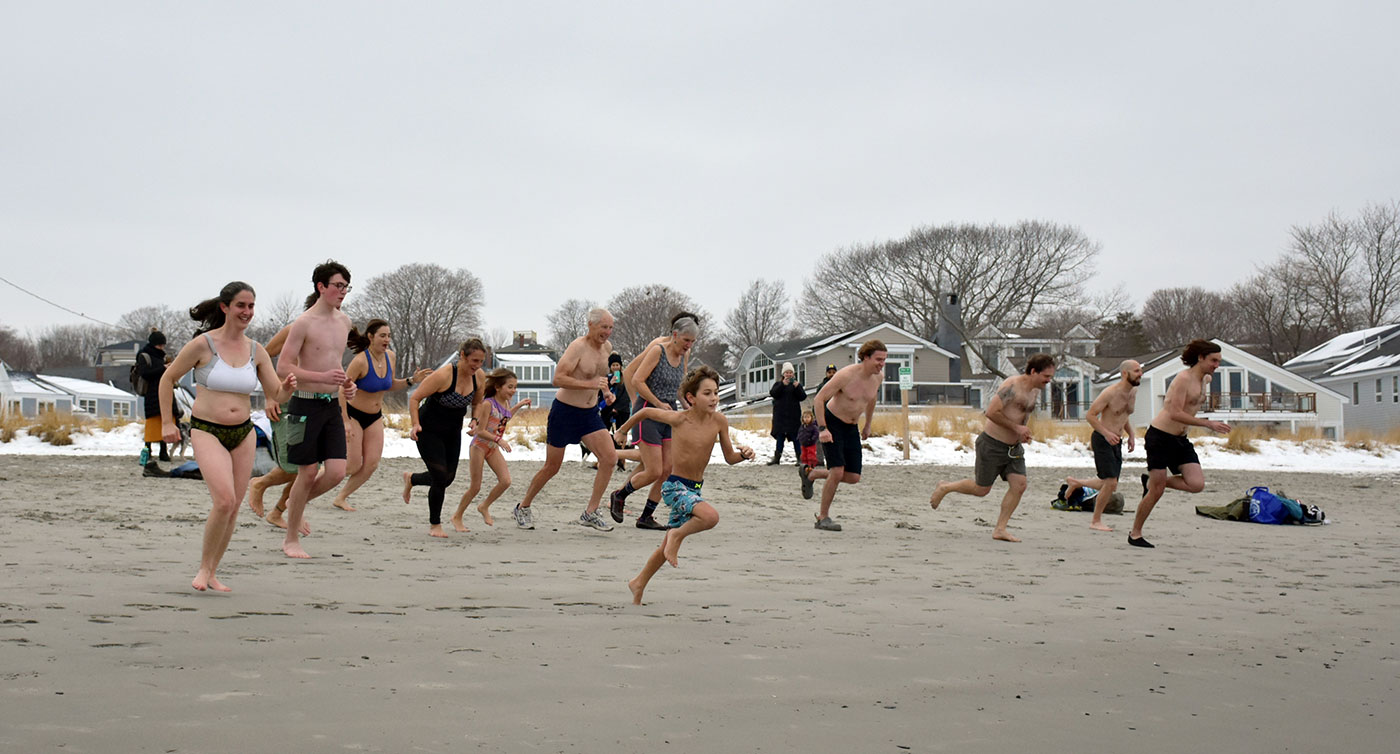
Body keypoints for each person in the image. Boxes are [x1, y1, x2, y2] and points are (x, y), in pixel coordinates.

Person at [159, 281, 296, 591]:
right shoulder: (203, 345)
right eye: (241, 306)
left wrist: (287, 387)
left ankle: (213, 571)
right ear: (225, 308)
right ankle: (203, 569)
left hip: (243, 433)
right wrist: (168, 422)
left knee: (233, 506)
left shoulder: (256, 350)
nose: (247, 312)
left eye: (251, 307)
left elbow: (275, 392)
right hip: (207, 429)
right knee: (224, 500)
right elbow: (167, 379)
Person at [612, 365, 755, 604]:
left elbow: (730, 457)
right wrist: (624, 430)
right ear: (691, 398)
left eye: (716, 393)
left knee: (664, 547)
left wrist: (744, 454)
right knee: (710, 517)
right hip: (674, 487)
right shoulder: (679, 419)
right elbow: (645, 414)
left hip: (694, 489)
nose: (714, 398)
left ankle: (638, 583)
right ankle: (677, 536)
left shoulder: (719, 421)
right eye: (707, 393)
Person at [275, 260, 357, 559]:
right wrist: (321, 378)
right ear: (321, 287)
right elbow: (284, 366)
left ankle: (291, 508)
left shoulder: (344, 322)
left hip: (332, 405)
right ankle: (291, 538)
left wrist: (348, 385)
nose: (343, 292)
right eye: (338, 286)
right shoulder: (304, 323)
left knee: (336, 472)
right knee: (307, 472)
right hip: (304, 404)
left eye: (347, 287)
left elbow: (334, 363)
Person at [927, 354, 1057, 542]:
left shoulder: (1035, 391)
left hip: (1014, 448)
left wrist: (1023, 432)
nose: (1048, 381)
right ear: (1034, 371)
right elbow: (991, 412)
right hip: (992, 444)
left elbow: (1020, 415)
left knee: (1019, 485)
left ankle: (1000, 529)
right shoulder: (1012, 386)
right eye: (1046, 376)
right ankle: (945, 487)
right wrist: (1016, 428)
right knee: (981, 490)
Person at [514, 308, 619, 531]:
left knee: (609, 458)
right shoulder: (577, 347)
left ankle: (590, 512)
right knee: (552, 467)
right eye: (604, 327)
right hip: (565, 412)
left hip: (589, 414)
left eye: (610, 327)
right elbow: (558, 378)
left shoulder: (607, 349)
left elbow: (600, 378)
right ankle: (523, 507)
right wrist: (589, 385)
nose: (607, 332)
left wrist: (606, 393)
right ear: (591, 325)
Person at [1128, 340, 1231, 548]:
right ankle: (1135, 534)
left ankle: (1151, 481)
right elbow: (1174, 412)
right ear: (1201, 358)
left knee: (1196, 484)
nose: (1216, 365)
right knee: (1157, 492)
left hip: (1180, 439)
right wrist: (1207, 423)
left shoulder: (1206, 379)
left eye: (1219, 361)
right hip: (1159, 437)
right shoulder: (1183, 379)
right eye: (1213, 360)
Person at [330, 319, 432, 512]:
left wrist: (411, 380)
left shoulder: (390, 357)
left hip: (375, 416)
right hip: (354, 415)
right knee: (352, 465)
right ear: (371, 337)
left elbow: (389, 384)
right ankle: (310, 481)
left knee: (371, 464)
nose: (387, 339)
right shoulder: (360, 361)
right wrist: (344, 421)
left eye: (389, 335)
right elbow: (342, 391)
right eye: (382, 336)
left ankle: (341, 497)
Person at [608, 315, 698, 529]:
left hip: (670, 414)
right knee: (654, 470)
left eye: (692, 342)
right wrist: (655, 403)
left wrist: (687, 406)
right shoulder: (658, 349)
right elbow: (636, 379)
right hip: (648, 412)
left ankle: (646, 516)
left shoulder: (683, 355)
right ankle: (619, 495)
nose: (688, 345)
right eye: (686, 340)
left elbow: (679, 386)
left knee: (668, 469)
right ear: (675, 335)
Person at [402, 338, 487, 538]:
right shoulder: (444, 375)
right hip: (428, 429)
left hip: (452, 431)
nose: (477, 366)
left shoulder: (479, 377)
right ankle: (435, 525)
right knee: (439, 476)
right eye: (474, 361)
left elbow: (478, 402)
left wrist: (474, 419)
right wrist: (415, 424)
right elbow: (415, 398)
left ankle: (412, 479)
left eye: (481, 362)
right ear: (463, 356)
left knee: (448, 478)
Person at [801, 340, 887, 531]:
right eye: (878, 359)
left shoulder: (878, 377)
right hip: (832, 422)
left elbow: (871, 399)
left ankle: (811, 473)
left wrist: (868, 424)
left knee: (854, 477)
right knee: (838, 471)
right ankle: (822, 517)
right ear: (865, 357)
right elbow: (819, 399)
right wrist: (822, 429)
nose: (881, 364)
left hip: (852, 426)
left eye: (884, 360)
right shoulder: (846, 375)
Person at [1064, 359, 1142, 532]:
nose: (1140, 374)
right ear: (1125, 373)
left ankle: (1076, 482)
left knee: (1111, 484)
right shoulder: (1110, 393)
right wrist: (1106, 434)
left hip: (1117, 440)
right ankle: (1095, 520)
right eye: (1136, 371)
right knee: (1110, 481)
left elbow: (1124, 415)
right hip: (1102, 439)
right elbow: (1091, 415)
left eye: (1140, 370)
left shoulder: (1133, 391)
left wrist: (1131, 435)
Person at [451, 367, 530, 530]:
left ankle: (484, 506)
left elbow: (505, 416)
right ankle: (457, 516)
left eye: (515, 387)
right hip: (479, 447)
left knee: (505, 481)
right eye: (510, 387)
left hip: (492, 447)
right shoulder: (488, 404)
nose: (513, 391)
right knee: (475, 486)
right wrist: (499, 440)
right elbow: (480, 431)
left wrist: (519, 405)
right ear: (498, 387)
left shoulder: (506, 402)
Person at [137, 329, 172, 466]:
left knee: (165, 420)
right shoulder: (144, 356)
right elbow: (145, 374)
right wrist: (163, 368)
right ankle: (147, 450)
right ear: (154, 344)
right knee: (152, 422)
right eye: (160, 345)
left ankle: (164, 451)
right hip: (151, 393)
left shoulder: (161, 356)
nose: (162, 347)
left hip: (164, 391)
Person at [767, 362, 806, 465]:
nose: (789, 374)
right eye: (787, 372)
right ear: (783, 374)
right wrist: (782, 385)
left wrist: (798, 387)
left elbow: (803, 397)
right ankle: (777, 458)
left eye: (790, 372)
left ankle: (799, 458)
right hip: (780, 417)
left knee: (796, 438)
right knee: (780, 438)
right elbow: (773, 393)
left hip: (793, 417)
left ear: (793, 374)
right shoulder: (778, 384)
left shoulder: (796, 385)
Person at [795, 408, 820, 499]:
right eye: (805, 417)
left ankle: (811, 466)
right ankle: (805, 466)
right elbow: (800, 432)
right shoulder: (802, 426)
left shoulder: (813, 427)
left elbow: (816, 434)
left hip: (810, 444)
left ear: (811, 418)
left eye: (808, 417)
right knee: (804, 455)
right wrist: (799, 438)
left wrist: (812, 440)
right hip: (804, 443)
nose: (806, 419)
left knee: (811, 455)